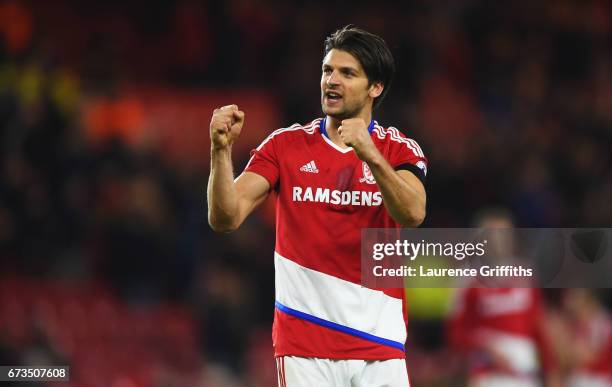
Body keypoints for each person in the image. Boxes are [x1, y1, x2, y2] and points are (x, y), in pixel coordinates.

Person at [207, 25, 427, 387]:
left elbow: (414, 213)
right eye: (327, 70)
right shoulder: (285, 145)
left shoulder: (399, 149)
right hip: (305, 344)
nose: (332, 81)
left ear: (376, 87)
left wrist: (368, 152)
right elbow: (225, 218)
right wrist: (220, 151)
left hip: (380, 346)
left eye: (347, 73)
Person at [446, 209, 560, 387]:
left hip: (525, 374)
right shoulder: (467, 279)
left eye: (504, 234)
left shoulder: (525, 274)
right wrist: (486, 347)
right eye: (493, 235)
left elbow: (538, 325)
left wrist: (551, 369)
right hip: (489, 374)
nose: (499, 240)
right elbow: (456, 333)